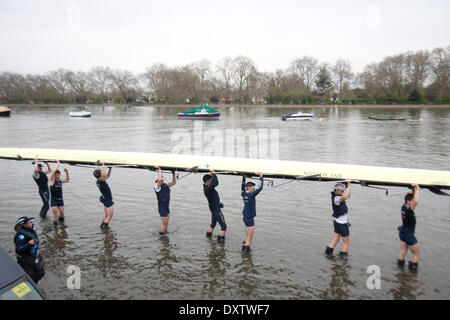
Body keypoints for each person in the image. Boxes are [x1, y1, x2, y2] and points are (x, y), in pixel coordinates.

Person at [14, 216, 45, 284]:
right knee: (30, 275)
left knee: (41, 272)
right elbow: (18, 250)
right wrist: (29, 244)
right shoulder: (20, 236)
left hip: (34, 255)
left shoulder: (30, 230)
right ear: (24, 224)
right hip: (26, 258)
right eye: (29, 222)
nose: (31, 223)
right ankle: (32, 287)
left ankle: (35, 283)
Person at [397, 184, 421, 271]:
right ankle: (412, 275)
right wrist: (417, 189)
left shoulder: (403, 206)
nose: (413, 202)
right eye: (412, 200)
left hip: (403, 233)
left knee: (402, 252)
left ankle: (400, 271)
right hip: (408, 234)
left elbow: (413, 200)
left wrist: (413, 190)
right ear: (408, 201)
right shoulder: (409, 209)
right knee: (416, 254)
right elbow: (416, 201)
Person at [325, 180, 351, 258]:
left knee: (336, 239)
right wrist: (349, 186)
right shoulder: (336, 198)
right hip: (342, 224)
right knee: (346, 242)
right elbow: (346, 196)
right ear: (337, 190)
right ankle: (343, 259)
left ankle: (327, 254)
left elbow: (347, 196)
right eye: (342, 190)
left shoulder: (337, 196)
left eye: (343, 191)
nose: (343, 192)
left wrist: (347, 186)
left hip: (337, 222)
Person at [241, 172, 264, 252]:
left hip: (245, 217)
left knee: (247, 234)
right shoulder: (251, 195)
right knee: (250, 236)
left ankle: (244, 246)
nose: (254, 189)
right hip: (249, 218)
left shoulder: (243, 194)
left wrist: (244, 178)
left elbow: (242, 187)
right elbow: (260, 187)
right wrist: (261, 176)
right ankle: (246, 252)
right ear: (250, 188)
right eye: (253, 188)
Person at [203, 169, 227, 242]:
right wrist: (213, 173)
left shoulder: (206, 188)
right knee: (224, 226)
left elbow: (213, 197)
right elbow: (216, 183)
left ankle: (208, 238)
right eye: (211, 180)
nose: (212, 181)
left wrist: (218, 203)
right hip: (216, 209)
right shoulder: (208, 188)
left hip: (214, 207)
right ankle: (221, 244)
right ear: (207, 181)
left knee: (213, 224)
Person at [154, 165, 176, 235]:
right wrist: (159, 169)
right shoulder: (157, 187)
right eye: (160, 180)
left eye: (162, 179)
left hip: (167, 207)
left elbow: (174, 182)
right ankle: (161, 237)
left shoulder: (166, 185)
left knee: (166, 225)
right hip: (162, 208)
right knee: (164, 224)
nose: (161, 180)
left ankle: (165, 236)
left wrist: (173, 173)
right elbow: (159, 179)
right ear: (157, 181)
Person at [93, 161, 114, 229]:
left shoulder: (99, 181)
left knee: (106, 215)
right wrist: (103, 165)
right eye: (101, 173)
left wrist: (110, 169)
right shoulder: (101, 181)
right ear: (101, 175)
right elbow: (104, 175)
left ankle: (102, 227)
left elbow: (107, 176)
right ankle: (104, 229)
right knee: (109, 216)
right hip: (107, 199)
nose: (103, 173)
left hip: (104, 198)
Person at [49, 160, 69, 227]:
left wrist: (66, 172)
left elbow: (67, 180)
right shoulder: (51, 181)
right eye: (57, 175)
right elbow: (53, 171)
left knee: (62, 214)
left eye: (59, 174)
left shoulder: (60, 181)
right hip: (54, 199)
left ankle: (62, 226)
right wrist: (58, 163)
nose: (58, 176)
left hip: (60, 199)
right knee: (55, 215)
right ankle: (55, 229)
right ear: (54, 175)